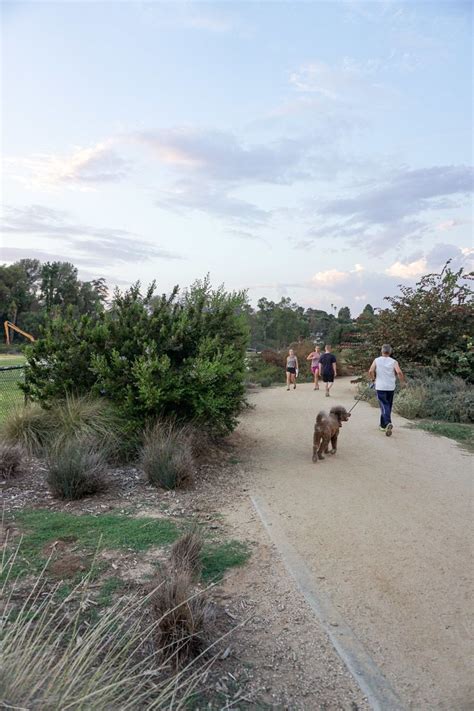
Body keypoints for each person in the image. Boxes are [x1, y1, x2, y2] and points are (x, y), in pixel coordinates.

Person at [368, 344, 405, 436]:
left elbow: (370, 371)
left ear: (382, 351)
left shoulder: (377, 360)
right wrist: (402, 382)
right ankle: (383, 425)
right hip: (390, 387)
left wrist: (373, 379)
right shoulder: (394, 362)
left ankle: (388, 422)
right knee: (387, 405)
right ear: (390, 352)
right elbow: (399, 372)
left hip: (380, 387)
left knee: (384, 405)